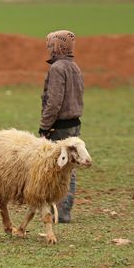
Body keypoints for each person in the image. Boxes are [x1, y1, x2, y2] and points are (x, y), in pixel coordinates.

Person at [39, 29, 84, 223]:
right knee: (69, 170)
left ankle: (60, 212)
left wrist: (44, 126)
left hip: (60, 126)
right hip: (74, 124)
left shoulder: (57, 69)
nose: (48, 48)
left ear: (57, 46)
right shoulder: (74, 67)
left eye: (50, 45)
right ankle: (64, 211)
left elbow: (54, 101)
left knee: (56, 168)